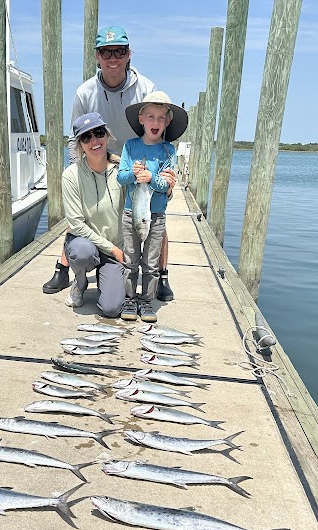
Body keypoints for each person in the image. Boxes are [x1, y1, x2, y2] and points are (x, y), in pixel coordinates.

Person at [42, 26, 175, 303]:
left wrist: (164, 176)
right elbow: (73, 137)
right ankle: (64, 267)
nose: (113, 57)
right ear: (97, 56)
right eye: (106, 51)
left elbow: (158, 128)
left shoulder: (146, 87)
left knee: (153, 218)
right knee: (80, 214)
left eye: (120, 51)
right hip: (97, 154)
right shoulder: (84, 92)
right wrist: (78, 172)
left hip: (136, 162)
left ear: (129, 55)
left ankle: (162, 275)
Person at [117, 91, 187, 322]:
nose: (155, 122)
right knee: (130, 259)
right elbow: (121, 177)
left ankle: (146, 301)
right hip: (132, 213)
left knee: (151, 262)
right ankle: (129, 298)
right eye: (150, 116)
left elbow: (165, 183)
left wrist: (150, 178)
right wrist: (134, 175)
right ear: (141, 119)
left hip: (156, 216)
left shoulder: (169, 151)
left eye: (160, 118)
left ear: (167, 121)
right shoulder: (130, 146)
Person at [61, 112, 125, 318]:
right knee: (82, 252)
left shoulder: (122, 170)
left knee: (112, 309)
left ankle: (108, 279)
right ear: (80, 144)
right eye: (86, 137)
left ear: (107, 135)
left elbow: (145, 205)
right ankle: (79, 283)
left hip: (113, 249)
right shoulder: (70, 175)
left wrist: (166, 190)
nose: (94, 141)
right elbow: (76, 225)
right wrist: (113, 249)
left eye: (98, 133)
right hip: (87, 245)